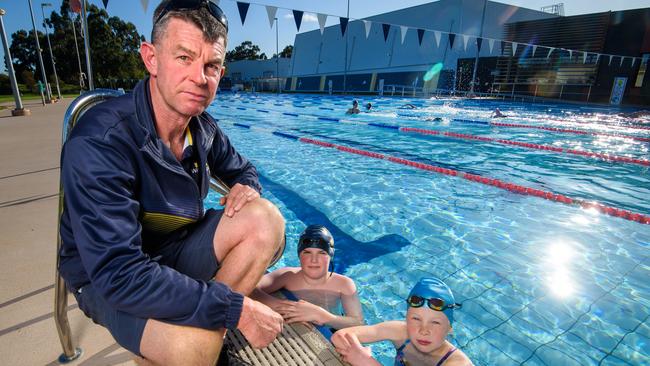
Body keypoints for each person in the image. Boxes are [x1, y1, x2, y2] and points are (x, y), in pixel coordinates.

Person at [59, 1, 286, 364]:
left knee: (266, 220)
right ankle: (198, 344)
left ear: (221, 71)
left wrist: (248, 187)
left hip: (175, 250)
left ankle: (209, 339)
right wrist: (234, 308)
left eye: (211, 65)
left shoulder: (204, 130)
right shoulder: (100, 142)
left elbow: (243, 170)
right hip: (110, 277)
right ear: (151, 58)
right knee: (189, 350)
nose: (200, 77)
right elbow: (119, 274)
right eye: (184, 57)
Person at [332, 277, 473, 366]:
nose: (423, 330)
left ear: (449, 329)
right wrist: (356, 349)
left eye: (435, 322)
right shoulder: (400, 332)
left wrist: (365, 361)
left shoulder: (458, 363)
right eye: (416, 319)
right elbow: (339, 336)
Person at [252, 225, 364, 331]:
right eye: (307, 252)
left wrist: (321, 315)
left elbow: (357, 323)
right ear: (299, 255)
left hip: (332, 329)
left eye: (321, 253)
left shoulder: (344, 284)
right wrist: (285, 307)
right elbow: (249, 288)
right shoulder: (287, 276)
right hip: (294, 329)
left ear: (330, 256)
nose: (314, 260)